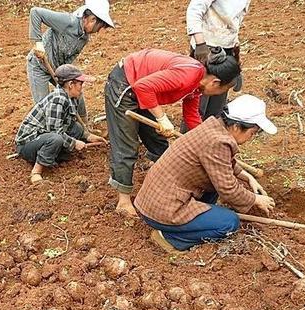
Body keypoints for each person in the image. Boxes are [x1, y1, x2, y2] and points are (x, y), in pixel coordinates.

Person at [104, 47, 241, 217]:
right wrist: (161, 118)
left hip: (143, 89)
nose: (219, 94)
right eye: (222, 90)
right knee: (126, 146)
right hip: (125, 84)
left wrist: (206, 139)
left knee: (158, 141)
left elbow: (191, 116)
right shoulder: (189, 75)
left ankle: (159, 183)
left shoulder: (197, 86)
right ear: (215, 82)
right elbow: (143, 87)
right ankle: (123, 202)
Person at [134, 94, 277, 252]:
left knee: (216, 184)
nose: (252, 137)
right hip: (164, 210)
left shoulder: (213, 127)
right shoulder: (218, 142)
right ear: (236, 126)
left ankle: (199, 217)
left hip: (154, 200)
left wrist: (249, 177)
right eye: (252, 132)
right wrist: (256, 199)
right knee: (229, 223)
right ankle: (170, 238)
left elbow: (223, 164)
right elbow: (228, 190)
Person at [16, 65, 107, 184]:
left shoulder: (71, 98)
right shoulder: (58, 100)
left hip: (43, 136)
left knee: (77, 128)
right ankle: (36, 171)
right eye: (80, 84)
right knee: (56, 139)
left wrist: (89, 136)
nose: (82, 87)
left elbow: (68, 124)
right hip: (28, 143)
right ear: (70, 84)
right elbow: (54, 131)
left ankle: (53, 155)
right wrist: (74, 143)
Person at [27, 0, 114, 118]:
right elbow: (36, 13)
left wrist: (68, 77)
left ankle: (84, 127)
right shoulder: (68, 22)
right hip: (39, 66)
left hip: (58, 69)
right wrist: (38, 43)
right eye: (99, 27)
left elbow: (70, 59)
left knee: (76, 94)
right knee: (44, 106)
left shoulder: (84, 38)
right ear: (92, 19)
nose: (98, 31)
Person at [185, 0, 251, 123]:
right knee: (199, 102)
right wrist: (200, 43)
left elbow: (236, 18)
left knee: (217, 103)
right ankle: (191, 137)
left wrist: (235, 49)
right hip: (206, 47)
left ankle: (210, 136)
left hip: (227, 47)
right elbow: (194, 10)